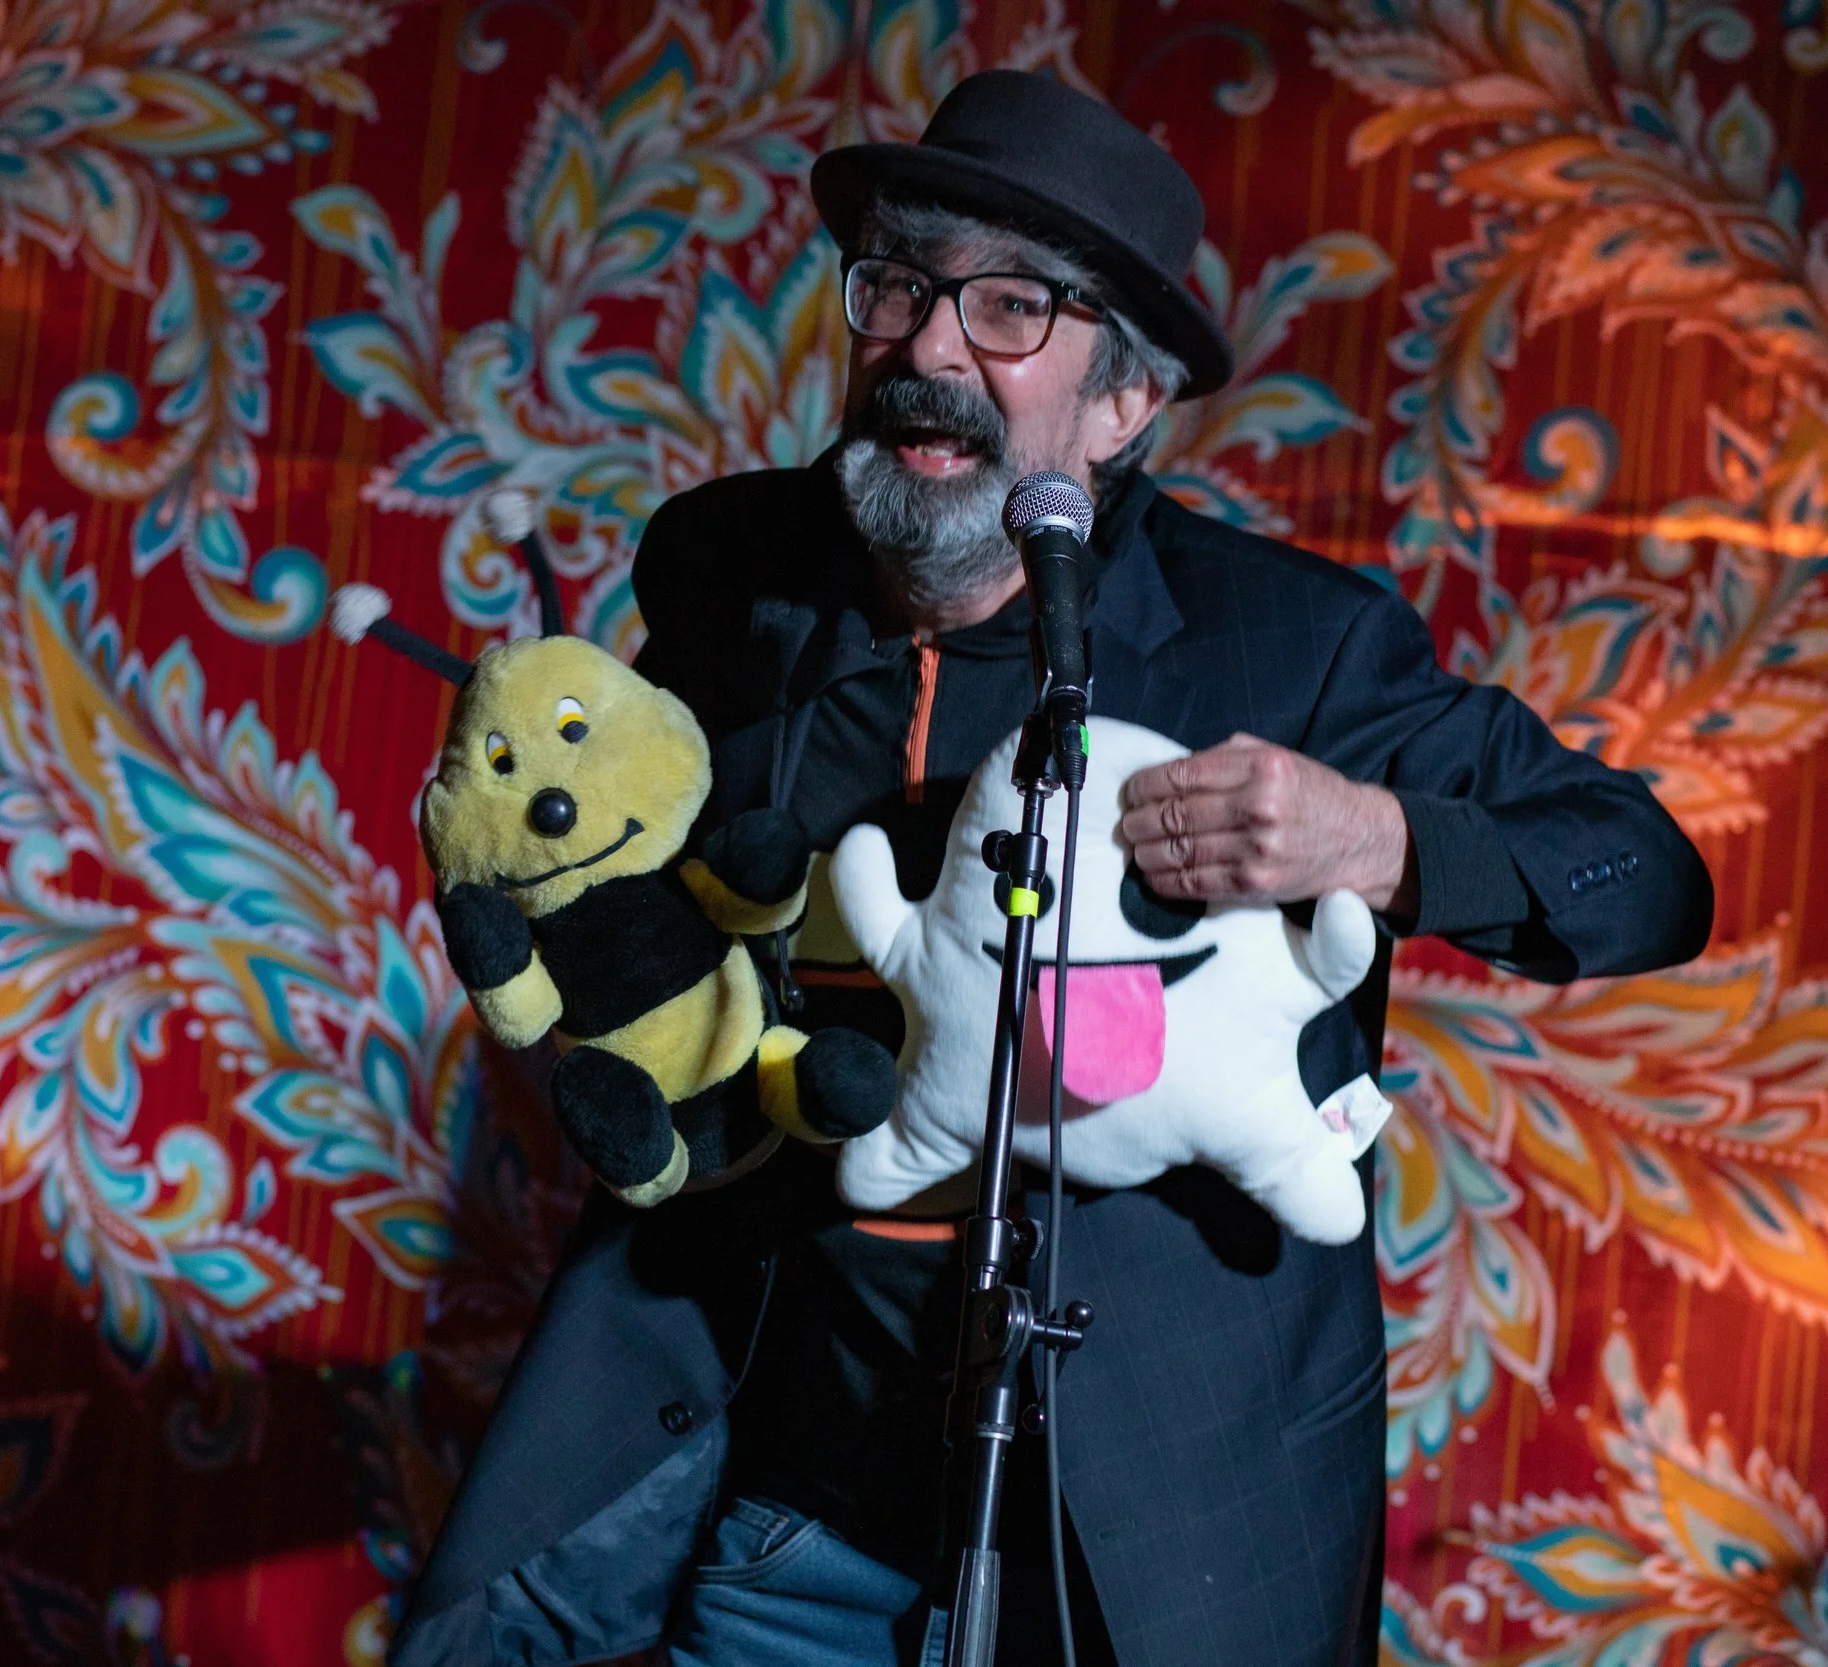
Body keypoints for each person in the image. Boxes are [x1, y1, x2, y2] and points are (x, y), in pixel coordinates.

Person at [389, 69, 1712, 1667]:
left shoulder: (1288, 643)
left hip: (1139, 1534)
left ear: (1123, 402)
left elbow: (1644, 874)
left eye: (1013, 308)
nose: (934, 350)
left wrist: (1383, 837)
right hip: (786, 1485)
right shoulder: (736, 576)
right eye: (899, 286)